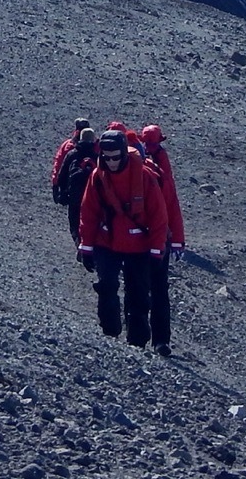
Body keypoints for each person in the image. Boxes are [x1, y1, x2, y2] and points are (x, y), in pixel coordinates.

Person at [77, 128, 170, 349]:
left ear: (124, 154)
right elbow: (88, 213)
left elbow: (159, 216)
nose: (111, 162)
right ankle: (109, 334)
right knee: (106, 284)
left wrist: (157, 250)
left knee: (138, 293)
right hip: (107, 242)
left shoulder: (144, 177)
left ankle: (137, 342)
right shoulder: (97, 177)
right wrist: (86, 246)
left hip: (138, 245)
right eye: (106, 158)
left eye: (115, 157)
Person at [138, 123, 185, 356]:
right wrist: (177, 239)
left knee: (138, 287)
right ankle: (160, 340)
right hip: (160, 238)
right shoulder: (162, 164)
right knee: (159, 289)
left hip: (137, 237)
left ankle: (137, 336)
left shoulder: (134, 162)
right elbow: (172, 202)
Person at [52, 126, 98, 242]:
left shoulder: (72, 154)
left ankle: (78, 243)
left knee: (74, 223)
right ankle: (87, 245)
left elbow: (62, 175)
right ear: (93, 140)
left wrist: (60, 192)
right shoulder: (97, 156)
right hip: (91, 197)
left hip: (74, 196)